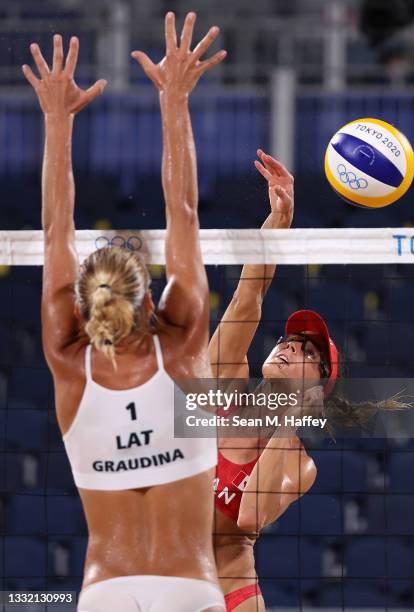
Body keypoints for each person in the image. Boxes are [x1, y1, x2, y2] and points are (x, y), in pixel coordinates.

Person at [23, 12, 227, 612]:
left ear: (85, 306)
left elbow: (55, 231)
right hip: (189, 587)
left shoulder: (66, 359)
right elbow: (182, 210)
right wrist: (174, 99)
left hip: (105, 590)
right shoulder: (183, 343)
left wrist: (56, 121)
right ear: (149, 300)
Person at [209, 150, 408, 611]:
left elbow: (250, 515)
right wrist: (281, 219)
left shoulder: (301, 465)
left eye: (309, 352)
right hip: (164, 579)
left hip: (229, 592)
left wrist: (288, 422)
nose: (291, 345)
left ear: (318, 388)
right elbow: (249, 293)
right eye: (291, 339)